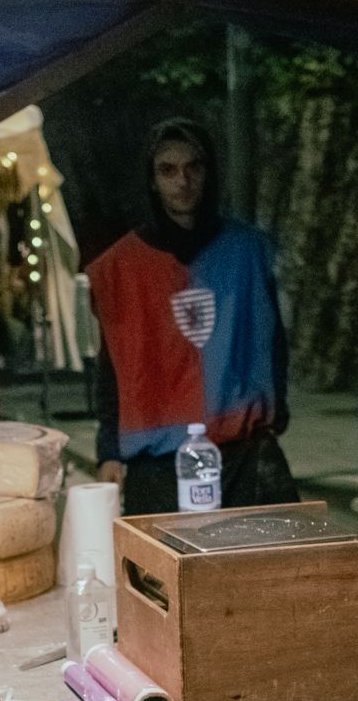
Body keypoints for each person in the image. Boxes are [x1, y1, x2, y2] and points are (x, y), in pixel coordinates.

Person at [86, 118, 298, 515]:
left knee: (274, 571)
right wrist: (109, 450)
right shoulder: (120, 267)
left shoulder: (248, 251)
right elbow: (112, 365)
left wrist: (275, 410)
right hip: (157, 461)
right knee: (162, 575)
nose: (182, 181)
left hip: (244, 451)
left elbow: (273, 340)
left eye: (193, 167)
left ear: (209, 172)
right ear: (152, 180)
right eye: (168, 170)